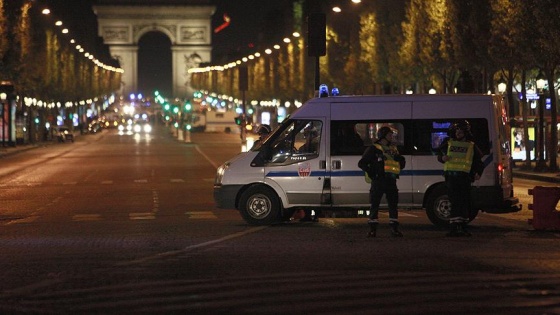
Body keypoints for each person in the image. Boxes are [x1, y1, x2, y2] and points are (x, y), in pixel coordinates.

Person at [437, 120, 484, 237]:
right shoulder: (448, 143)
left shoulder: (471, 145)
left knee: (464, 202)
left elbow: (478, 161)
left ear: (466, 132)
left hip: (464, 178)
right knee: (454, 202)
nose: (458, 132)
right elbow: (439, 154)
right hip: (451, 178)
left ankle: (462, 227)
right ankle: (454, 227)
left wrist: (478, 172)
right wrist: (442, 158)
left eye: (461, 130)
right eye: (457, 130)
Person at [358, 126, 406, 237]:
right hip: (379, 180)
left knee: (393, 205)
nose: (391, 137)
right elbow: (362, 163)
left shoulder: (393, 149)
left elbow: (401, 164)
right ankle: (372, 230)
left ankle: (394, 229)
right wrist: (373, 173)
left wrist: (401, 160)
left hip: (391, 180)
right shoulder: (374, 148)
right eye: (390, 135)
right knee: (375, 205)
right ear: (383, 136)